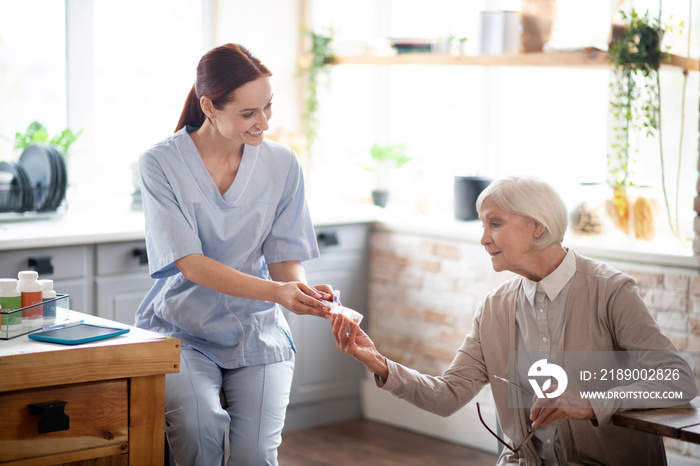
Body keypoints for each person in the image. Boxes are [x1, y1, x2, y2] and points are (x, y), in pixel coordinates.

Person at [331, 175, 697, 465]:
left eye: (495, 224)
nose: (483, 238)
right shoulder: (496, 308)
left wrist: (589, 403)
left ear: (536, 227)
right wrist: (378, 363)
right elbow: (447, 396)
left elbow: (679, 380)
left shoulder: (609, 290)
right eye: (483, 225)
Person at [135, 43, 333, 466]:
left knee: (256, 454)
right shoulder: (160, 163)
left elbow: (284, 260)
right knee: (198, 427)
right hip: (181, 331)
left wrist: (301, 291)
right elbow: (189, 262)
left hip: (256, 332)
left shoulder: (283, 164)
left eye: (268, 108)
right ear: (209, 106)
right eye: (248, 113)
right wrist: (278, 292)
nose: (262, 122)